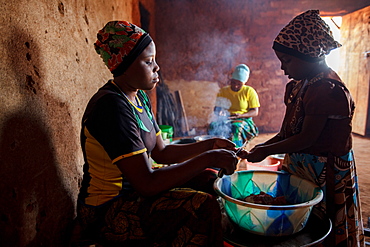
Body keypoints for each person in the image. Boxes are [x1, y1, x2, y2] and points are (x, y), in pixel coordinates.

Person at [76, 21, 241, 247]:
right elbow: (147, 183)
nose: (157, 68)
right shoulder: (111, 107)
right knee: (202, 206)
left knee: (208, 179)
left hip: (135, 193)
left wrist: (210, 145)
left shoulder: (139, 98)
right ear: (124, 65)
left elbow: (162, 153)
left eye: (154, 60)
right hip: (108, 209)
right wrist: (209, 157)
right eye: (148, 61)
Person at [244, 10, 365, 246]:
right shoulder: (300, 85)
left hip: (325, 170)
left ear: (310, 54)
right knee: (301, 221)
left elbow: (307, 138)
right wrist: (261, 146)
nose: (282, 68)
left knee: (325, 223)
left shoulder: (327, 90)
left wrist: (265, 151)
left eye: (287, 61)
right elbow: (287, 134)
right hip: (301, 167)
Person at [209, 64, 260, 148]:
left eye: (239, 84)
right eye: (233, 82)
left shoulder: (249, 91)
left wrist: (241, 115)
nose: (235, 86)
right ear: (231, 80)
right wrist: (220, 112)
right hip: (226, 118)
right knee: (213, 126)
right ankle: (218, 150)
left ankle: (236, 151)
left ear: (244, 83)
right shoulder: (223, 91)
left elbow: (255, 111)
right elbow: (216, 109)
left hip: (243, 119)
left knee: (236, 127)